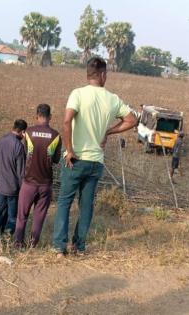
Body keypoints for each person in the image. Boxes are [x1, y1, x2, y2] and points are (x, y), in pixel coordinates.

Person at [53, 57, 137, 257]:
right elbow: (132, 119)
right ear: (103, 75)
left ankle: (59, 246)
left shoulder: (78, 94)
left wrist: (69, 150)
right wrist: (108, 132)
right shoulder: (113, 99)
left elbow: (66, 122)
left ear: (88, 74)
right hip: (95, 162)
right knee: (86, 206)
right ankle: (79, 246)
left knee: (65, 201)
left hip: (75, 160)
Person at [14, 104, 62, 247]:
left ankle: (18, 243)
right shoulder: (56, 136)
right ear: (50, 117)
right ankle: (32, 245)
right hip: (45, 184)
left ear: (36, 116)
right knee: (39, 217)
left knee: (22, 216)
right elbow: (56, 159)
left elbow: (26, 153)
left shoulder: (28, 133)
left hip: (28, 183)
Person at [0, 119, 28, 238]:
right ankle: (7, 238)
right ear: (23, 132)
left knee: (1, 212)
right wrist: (23, 188)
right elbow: (21, 172)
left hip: (1, 185)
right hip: (13, 188)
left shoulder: (1, 141)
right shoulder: (19, 146)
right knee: (13, 216)